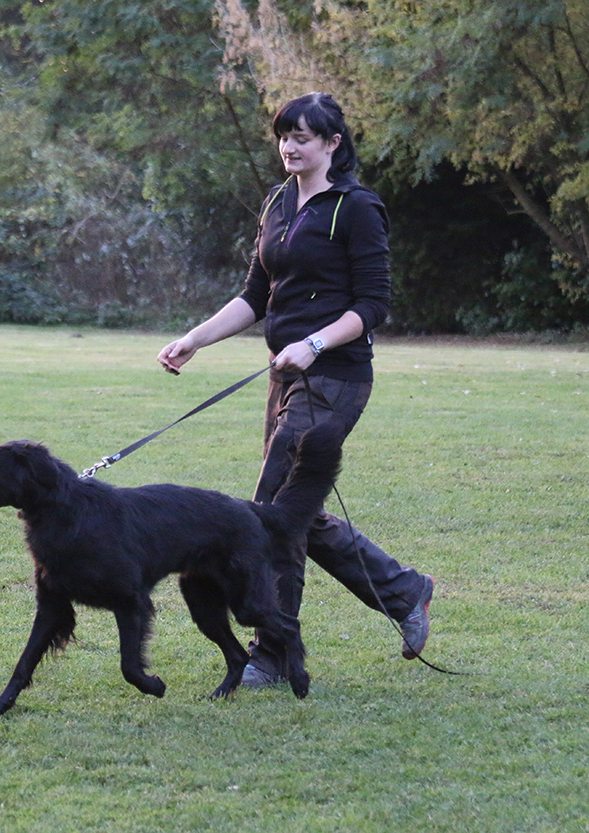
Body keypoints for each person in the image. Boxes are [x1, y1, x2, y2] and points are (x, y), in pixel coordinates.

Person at [157, 92, 433, 687]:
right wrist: (195, 339)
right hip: (284, 376)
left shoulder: (357, 207)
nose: (289, 146)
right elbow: (256, 294)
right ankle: (402, 589)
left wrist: (314, 342)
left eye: (302, 137)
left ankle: (273, 652)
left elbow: (374, 303)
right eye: (284, 136)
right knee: (291, 511)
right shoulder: (278, 201)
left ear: (332, 143)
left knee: (270, 513)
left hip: (335, 376)